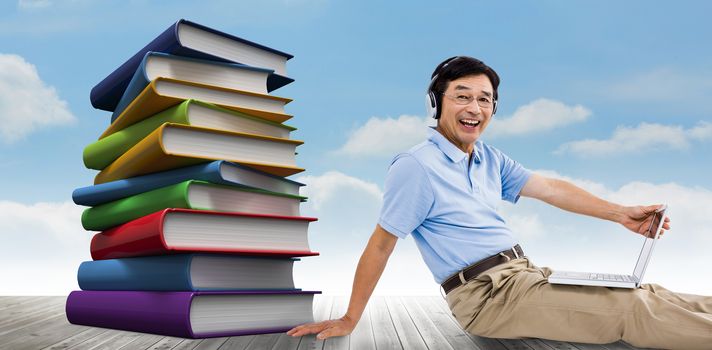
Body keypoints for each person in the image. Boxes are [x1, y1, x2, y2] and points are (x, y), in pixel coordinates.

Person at [287, 56, 712, 349]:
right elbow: (381, 243)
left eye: (484, 98)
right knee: (631, 309)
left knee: (650, 292)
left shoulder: (488, 157)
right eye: (462, 95)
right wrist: (350, 318)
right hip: (487, 298)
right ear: (437, 103)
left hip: (525, 275)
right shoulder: (416, 167)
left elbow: (549, 188)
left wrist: (620, 213)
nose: (475, 107)